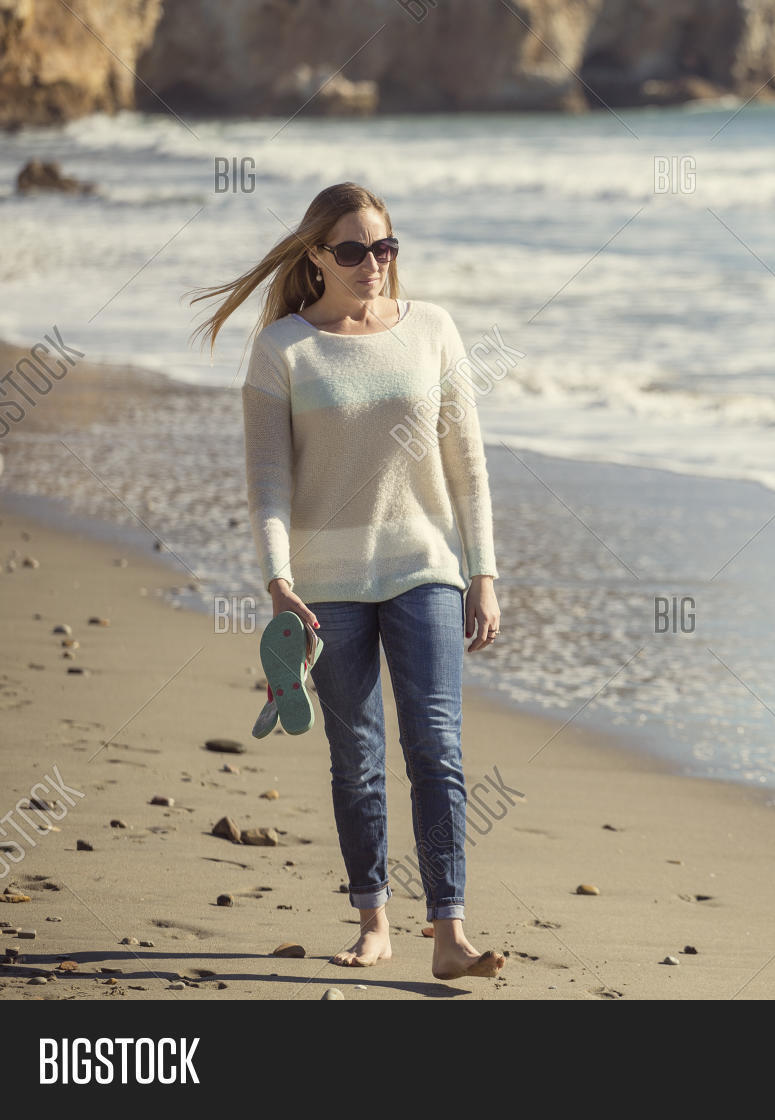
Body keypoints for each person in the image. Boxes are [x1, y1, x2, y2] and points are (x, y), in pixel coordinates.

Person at [191, 181, 504, 980]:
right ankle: (373, 922)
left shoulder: (432, 329)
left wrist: (484, 573)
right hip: (325, 587)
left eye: (386, 247)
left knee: (436, 746)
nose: (374, 263)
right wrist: (277, 580)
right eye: (355, 250)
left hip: (425, 569)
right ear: (316, 258)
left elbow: (467, 466)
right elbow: (268, 482)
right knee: (355, 755)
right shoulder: (283, 349)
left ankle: (449, 933)